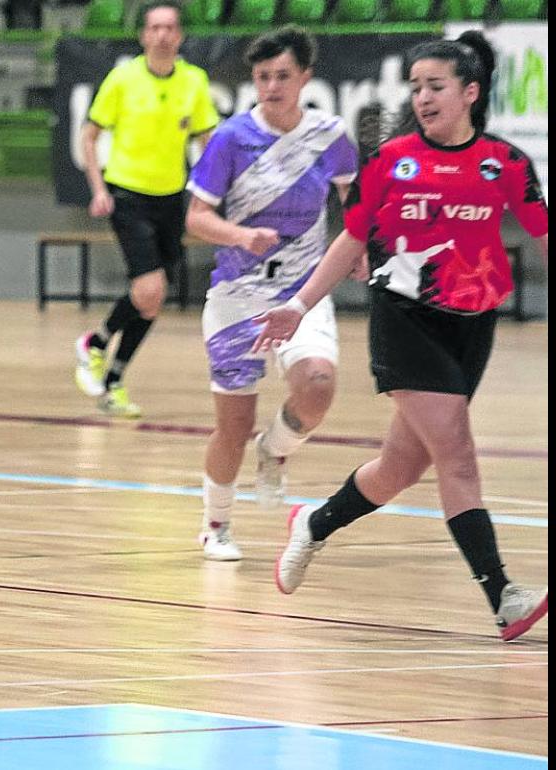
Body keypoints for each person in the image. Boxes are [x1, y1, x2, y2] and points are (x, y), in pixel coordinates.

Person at [253, 32, 548, 640]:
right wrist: (299, 305)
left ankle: (313, 522)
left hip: (473, 324)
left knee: (399, 468)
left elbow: (542, 232)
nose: (423, 97)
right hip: (405, 318)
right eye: (415, 88)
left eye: (435, 86)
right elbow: (352, 240)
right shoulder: (391, 163)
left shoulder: (506, 162)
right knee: (458, 455)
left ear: (469, 92)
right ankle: (504, 597)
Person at [184, 26, 359, 561]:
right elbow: (196, 217)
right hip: (239, 295)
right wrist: (241, 235)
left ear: (305, 77)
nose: (272, 85)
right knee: (232, 425)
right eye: (262, 77)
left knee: (319, 386)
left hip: (303, 289)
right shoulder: (232, 139)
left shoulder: (331, 135)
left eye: (283, 75)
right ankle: (215, 525)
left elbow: (356, 197)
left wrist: (362, 247)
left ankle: (275, 452)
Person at [73, 0, 220, 417]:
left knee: (152, 301)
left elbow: (206, 141)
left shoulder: (193, 81)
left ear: (180, 35)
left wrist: (209, 191)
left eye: (170, 27)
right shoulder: (123, 77)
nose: (162, 35)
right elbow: (90, 135)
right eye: (154, 27)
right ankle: (94, 344)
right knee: (149, 288)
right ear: (143, 36)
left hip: (170, 197)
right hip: (127, 194)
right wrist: (99, 189)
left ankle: (112, 376)